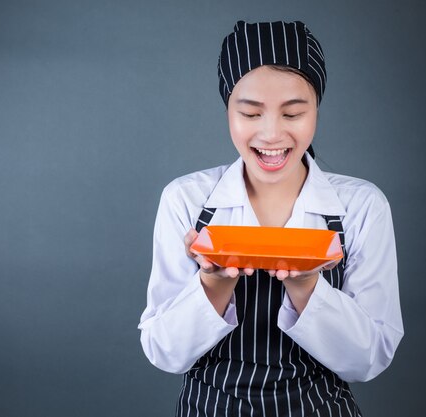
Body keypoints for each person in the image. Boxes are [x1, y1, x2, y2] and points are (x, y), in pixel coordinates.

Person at [138, 20, 404, 416]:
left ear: (316, 110)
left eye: (293, 113)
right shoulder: (187, 200)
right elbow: (164, 352)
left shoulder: (362, 206)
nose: (272, 134)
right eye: (250, 112)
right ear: (228, 109)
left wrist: (307, 286)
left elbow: (369, 360)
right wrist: (212, 282)